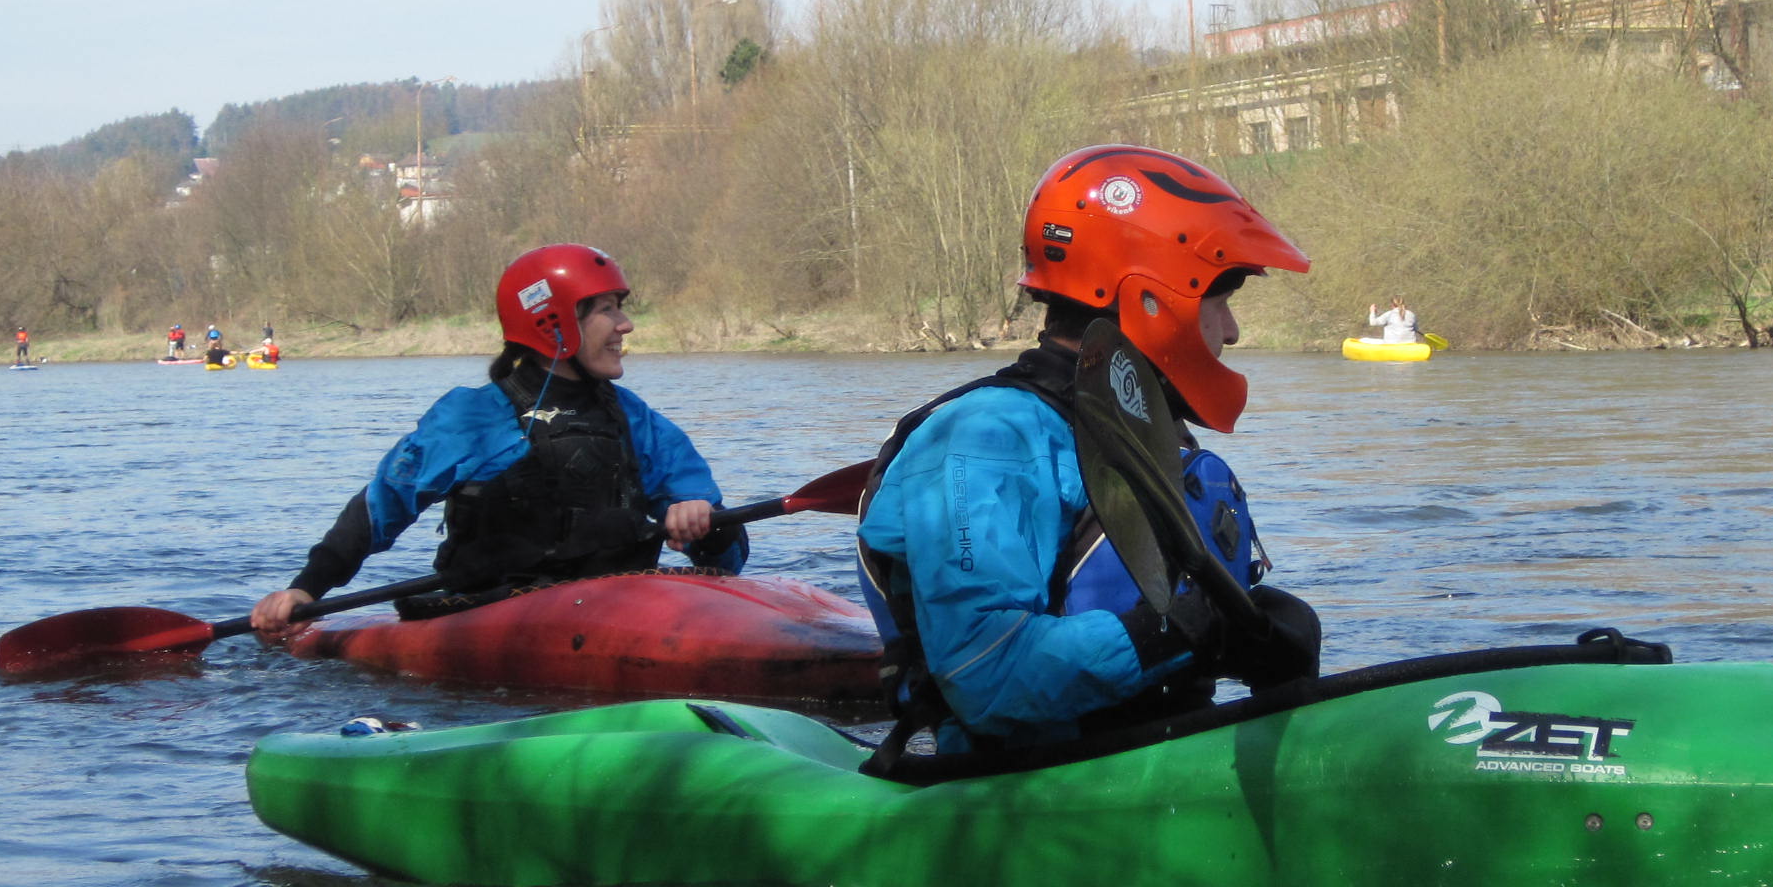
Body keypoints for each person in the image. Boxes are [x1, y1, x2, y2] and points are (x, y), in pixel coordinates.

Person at [856, 145, 1325, 759]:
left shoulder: (1134, 428)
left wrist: (1253, 631)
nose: (1231, 331)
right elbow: (984, 673)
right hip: (1020, 786)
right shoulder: (986, 439)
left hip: (1158, 757)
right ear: (1151, 297)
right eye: (1219, 300)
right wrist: (1190, 632)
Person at [250, 243, 746, 634]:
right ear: (553, 323)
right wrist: (306, 590)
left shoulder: (637, 421)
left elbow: (728, 557)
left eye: (620, 308)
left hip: (617, 616)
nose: (625, 324)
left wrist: (706, 525)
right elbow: (380, 509)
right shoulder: (472, 418)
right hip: (493, 618)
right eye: (606, 310)